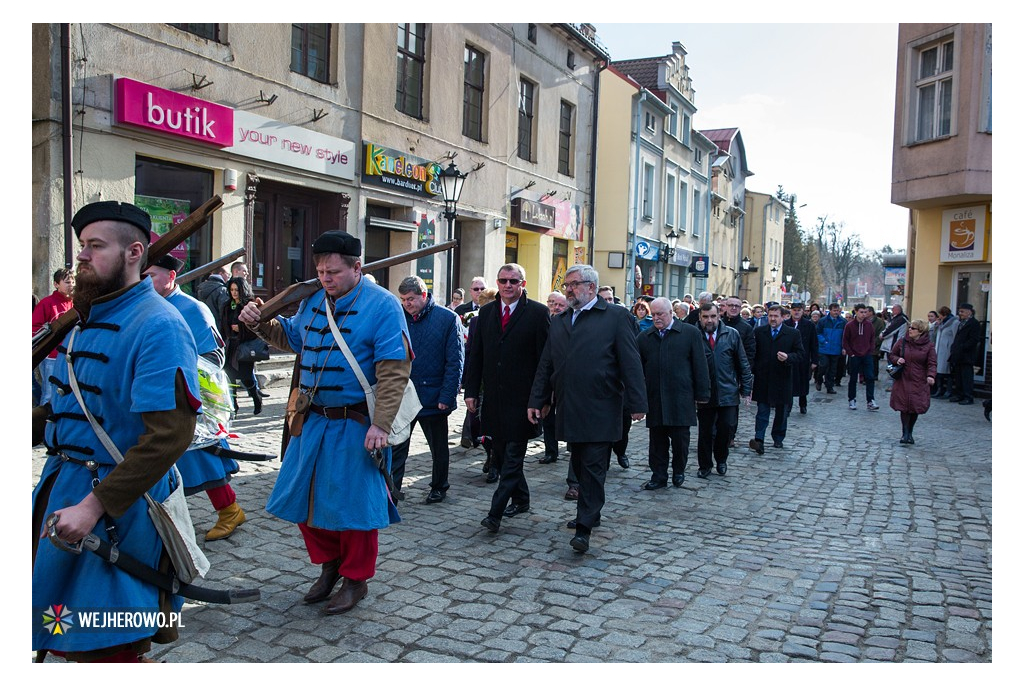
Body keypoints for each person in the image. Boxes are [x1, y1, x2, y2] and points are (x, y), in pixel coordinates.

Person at [32, 200, 201, 662]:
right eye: (82, 246)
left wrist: (93, 507)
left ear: (134, 253)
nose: (82, 256)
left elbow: (168, 437)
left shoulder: (160, 325)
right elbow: (75, 407)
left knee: (107, 646)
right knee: (60, 630)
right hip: (60, 489)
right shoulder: (86, 317)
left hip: (117, 509)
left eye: (95, 246)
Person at [238, 229, 410, 615]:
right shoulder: (314, 298)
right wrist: (258, 321)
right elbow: (293, 339)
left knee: (356, 510)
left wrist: (380, 425)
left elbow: (394, 372)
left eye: (333, 271)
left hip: (355, 423)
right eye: (319, 270)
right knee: (302, 499)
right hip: (311, 420)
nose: (325, 278)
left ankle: (356, 580)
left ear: (356, 268)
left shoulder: (383, 306)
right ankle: (329, 566)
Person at [528, 264, 647, 554]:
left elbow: (631, 363)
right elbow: (547, 363)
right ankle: (590, 512)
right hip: (569, 405)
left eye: (574, 284)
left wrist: (637, 402)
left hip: (602, 405)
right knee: (580, 464)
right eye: (566, 285)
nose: (568, 289)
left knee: (594, 468)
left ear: (591, 287)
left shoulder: (616, 317)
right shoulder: (560, 320)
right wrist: (537, 399)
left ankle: (584, 527)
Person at [144, 255, 246, 541]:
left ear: (171, 277)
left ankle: (230, 511)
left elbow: (213, 357)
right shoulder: (145, 307)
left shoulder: (193, 308)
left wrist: (184, 382)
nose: (145, 281)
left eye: (151, 275)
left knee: (202, 457)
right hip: (153, 396)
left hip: (187, 400)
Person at [464, 264, 550, 535]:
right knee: (501, 456)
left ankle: (495, 513)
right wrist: (470, 392)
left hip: (524, 402)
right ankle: (522, 499)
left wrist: (543, 398)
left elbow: (545, 361)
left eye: (513, 280)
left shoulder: (537, 313)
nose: (508, 285)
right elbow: (475, 355)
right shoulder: (487, 313)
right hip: (494, 400)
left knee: (513, 458)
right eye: (503, 280)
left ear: (522, 283)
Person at [389, 276, 464, 504]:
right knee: (398, 445)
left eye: (411, 299)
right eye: (403, 299)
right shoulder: (398, 317)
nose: (407, 303)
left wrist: (447, 395)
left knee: (438, 448)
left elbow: (455, 361)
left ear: (424, 295)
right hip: (404, 393)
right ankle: (393, 489)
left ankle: (439, 486)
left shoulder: (447, 318)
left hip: (434, 395)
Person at [637, 297, 710, 488]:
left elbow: (700, 365)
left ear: (672, 313)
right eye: (653, 314)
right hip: (656, 398)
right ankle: (658, 475)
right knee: (657, 441)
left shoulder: (690, 333)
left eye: (660, 314)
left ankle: (679, 471)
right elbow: (636, 368)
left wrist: (702, 394)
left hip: (681, 397)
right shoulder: (645, 337)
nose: (656, 318)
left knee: (680, 441)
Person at [697, 302, 752, 477]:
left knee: (725, 428)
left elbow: (742, 363)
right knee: (705, 431)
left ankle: (721, 459)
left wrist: (746, 388)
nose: (709, 320)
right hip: (704, 392)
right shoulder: (693, 335)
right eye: (705, 317)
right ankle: (705, 465)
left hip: (728, 391)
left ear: (719, 316)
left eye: (713, 316)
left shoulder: (732, 334)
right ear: (700, 318)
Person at [748, 304, 804, 454]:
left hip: (783, 377)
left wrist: (788, 357)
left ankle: (778, 437)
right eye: (770, 316)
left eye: (776, 316)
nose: (772, 319)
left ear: (783, 317)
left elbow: (800, 354)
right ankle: (759, 439)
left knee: (781, 411)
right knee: (762, 410)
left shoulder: (792, 333)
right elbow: (753, 353)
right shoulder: (759, 332)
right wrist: (752, 371)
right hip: (764, 377)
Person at [887, 319, 937, 444]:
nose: (910, 330)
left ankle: (910, 432)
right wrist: (897, 359)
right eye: (910, 327)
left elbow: (932, 363)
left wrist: (931, 376)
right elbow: (892, 355)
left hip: (919, 379)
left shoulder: (929, 346)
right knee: (904, 406)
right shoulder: (902, 342)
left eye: (913, 328)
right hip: (903, 378)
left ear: (920, 331)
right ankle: (904, 433)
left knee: (915, 406)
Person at [32, 268, 76, 407]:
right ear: (56, 284)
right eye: (67, 282)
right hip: (52, 356)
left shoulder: (75, 303)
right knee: (49, 394)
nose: (71, 285)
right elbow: (34, 327)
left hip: (71, 355)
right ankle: (45, 425)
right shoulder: (46, 303)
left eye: (73, 281)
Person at [225, 276, 263, 415]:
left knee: (246, 377)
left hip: (244, 347)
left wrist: (240, 329)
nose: (234, 293)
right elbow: (224, 325)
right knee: (230, 376)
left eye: (237, 290)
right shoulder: (227, 305)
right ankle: (234, 405)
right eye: (232, 290)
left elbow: (256, 328)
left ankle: (256, 398)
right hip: (230, 346)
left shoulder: (249, 305)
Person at [539, 292, 568, 464]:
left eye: (560, 305)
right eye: (552, 303)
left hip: (565, 378)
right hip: (548, 377)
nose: (555, 307)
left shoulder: (570, 323)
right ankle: (551, 450)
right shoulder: (543, 321)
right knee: (547, 416)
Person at [782, 302, 818, 415]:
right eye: (794, 310)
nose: (796, 312)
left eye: (799, 310)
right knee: (789, 381)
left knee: (803, 381)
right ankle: (788, 405)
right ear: (791, 311)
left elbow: (814, 344)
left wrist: (815, 360)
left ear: (802, 311)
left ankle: (803, 404)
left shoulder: (809, 325)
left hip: (804, 358)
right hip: (790, 357)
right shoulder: (786, 324)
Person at [842, 304, 879, 411]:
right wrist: (851, 353)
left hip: (867, 355)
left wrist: (870, 350)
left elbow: (872, 339)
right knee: (853, 378)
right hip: (854, 355)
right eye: (861, 312)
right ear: (856, 312)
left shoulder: (869, 325)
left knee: (870, 377)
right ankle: (852, 399)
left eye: (865, 312)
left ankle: (870, 400)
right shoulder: (849, 325)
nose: (864, 314)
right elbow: (845, 340)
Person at [947, 303, 982, 405]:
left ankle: (968, 396)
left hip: (966, 355)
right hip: (958, 354)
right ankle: (959, 394)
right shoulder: (961, 323)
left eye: (962, 311)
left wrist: (963, 347)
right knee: (958, 376)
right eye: (959, 311)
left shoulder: (974, 323)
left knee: (966, 377)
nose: (960, 313)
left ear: (969, 312)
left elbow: (974, 339)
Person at [196, 265, 231, 335]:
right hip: (217, 328)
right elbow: (224, 312)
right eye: (228, 274)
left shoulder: (201, 288)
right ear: (221, 274)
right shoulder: (222, 290)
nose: (229, 277)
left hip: (202, 326)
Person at [931, 305, 957, 398]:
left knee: (947, 371)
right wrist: (936, 326)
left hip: (947, 350)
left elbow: (955, 337)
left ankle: (948, 391)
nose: (939, 317)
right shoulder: (941, 323)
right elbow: (934, 335)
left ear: (944, 314)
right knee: (939, 371)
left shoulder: (954, 323)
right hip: (939, 349)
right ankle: (939, 389)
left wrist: (952, 350)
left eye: (940, 315)